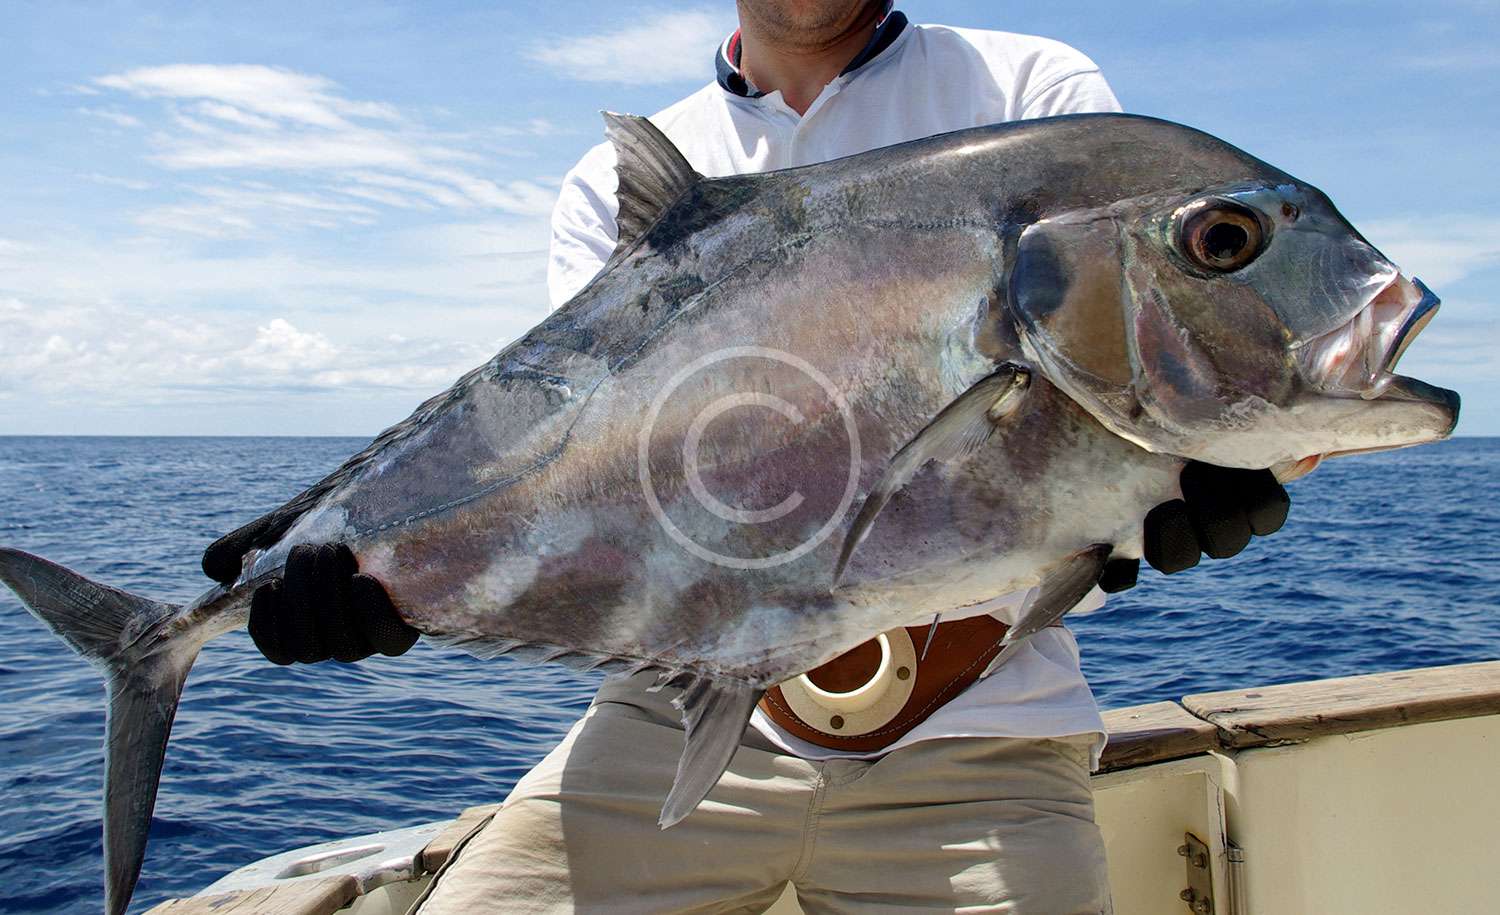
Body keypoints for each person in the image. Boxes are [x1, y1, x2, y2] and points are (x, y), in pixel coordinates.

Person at [228, 3, 1290, 911]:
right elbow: (572, 464)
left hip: (981, 728)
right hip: (671, 716)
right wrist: (375, 559)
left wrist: (1209, 470)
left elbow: (1167, 367)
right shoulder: (626, 176)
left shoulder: (1028, 92)